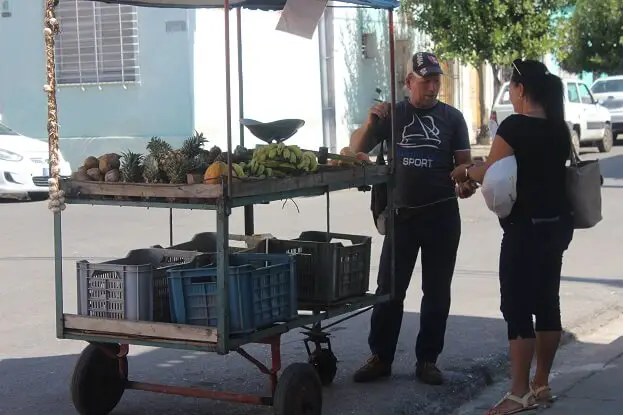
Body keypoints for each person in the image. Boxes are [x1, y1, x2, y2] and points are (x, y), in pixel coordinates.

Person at [451, 59, 574, 414]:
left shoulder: (515, 126)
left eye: (512, 89)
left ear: (520, 90)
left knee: (518, 307)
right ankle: (541, 385)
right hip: (557, 226)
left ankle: (517, 393)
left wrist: (464, 170)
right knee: (547, 302)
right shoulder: (559, 128)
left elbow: (490, 171)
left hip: (525, 229)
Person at [350, 51, 476, 385]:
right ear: (409, 83)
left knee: (436, 291)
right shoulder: (393, 114)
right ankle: (380, 357)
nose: (433, 87)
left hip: (442, 215)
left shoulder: (453, 118)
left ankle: (428, 360)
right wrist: (369, 121)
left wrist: (465, 183)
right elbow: (354, 149)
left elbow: (464, 165)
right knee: (389, 289)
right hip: (401, 216)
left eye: (436, 81)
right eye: (426, 81)